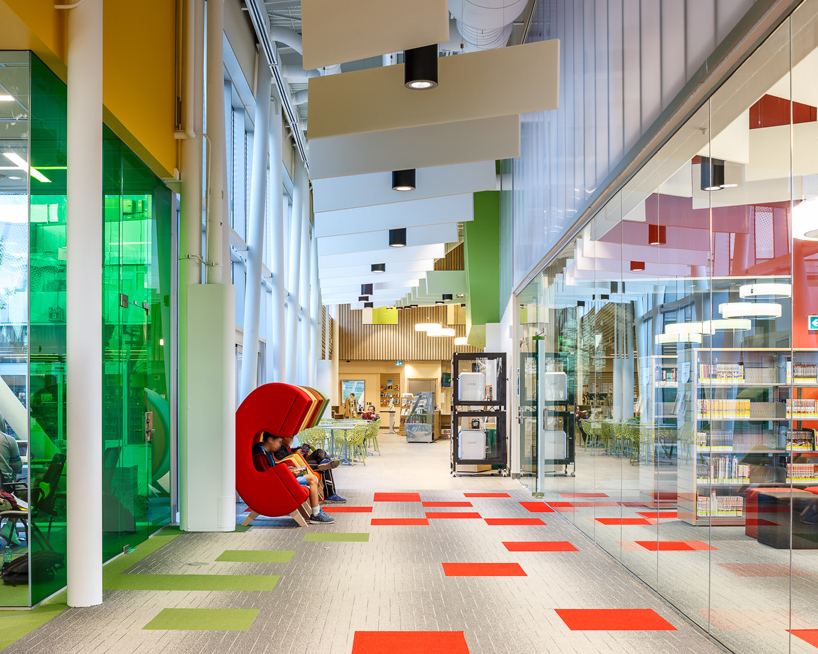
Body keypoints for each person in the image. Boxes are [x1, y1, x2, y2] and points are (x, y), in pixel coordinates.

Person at [252, 432, 334, 524]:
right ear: (270, 440)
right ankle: (316, 514)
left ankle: (316, 512)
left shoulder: (266, 451)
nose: (280, 445)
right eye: (278, 442)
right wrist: (288, 473)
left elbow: (272, 469)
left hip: (279, 480)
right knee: (312, 479)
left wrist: (287, 470)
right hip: (277, 484)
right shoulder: (260, 455)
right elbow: (268, 477)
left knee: (312, 477)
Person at [275, 436, 347, 504]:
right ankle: (330, 494)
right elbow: (282, 458)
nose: (292, 440)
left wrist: (300, 449)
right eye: (290, 438)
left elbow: (289, 452)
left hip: (300, 460)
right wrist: (295, 453)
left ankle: (324, 461)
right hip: (297, 464)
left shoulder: (285, 446)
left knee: (319, 451)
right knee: (326, 467)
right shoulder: (279, 446)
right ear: (283, 438)